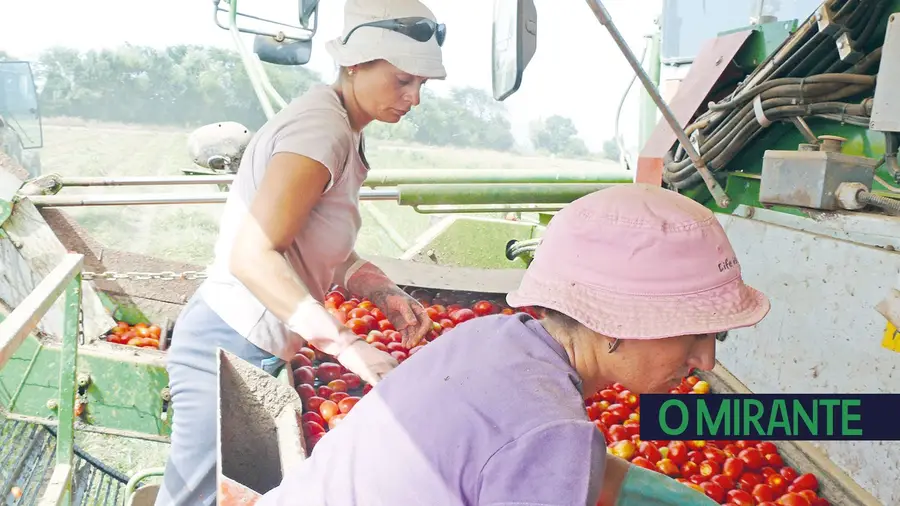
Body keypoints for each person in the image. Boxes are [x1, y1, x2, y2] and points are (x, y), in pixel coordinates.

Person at [256, 183, 772, 506]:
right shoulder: (548, 430)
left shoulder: (491, 338)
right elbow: (540, 445)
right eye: (694, 334)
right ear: (617, 322)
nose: (705, 360)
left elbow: (548, 461)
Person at [153, 1, 447, 504]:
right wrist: (347, 345)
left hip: (250, 340)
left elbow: (321, 243)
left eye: (422, 84)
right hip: (228, 342)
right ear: (356, 64)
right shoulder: (320, 132)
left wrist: (381, 290)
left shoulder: (341, 127)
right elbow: (253, 255)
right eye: (402, 80)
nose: (414, 98)